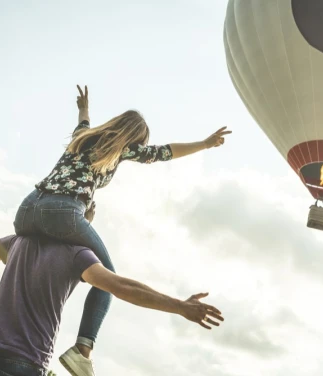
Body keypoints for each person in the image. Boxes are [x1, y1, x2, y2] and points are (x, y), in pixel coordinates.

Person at [13, 85, 231, 374]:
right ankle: (82, 350)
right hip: (63, 212)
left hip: (27, 210)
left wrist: (83, 106)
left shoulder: (83, 137)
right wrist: (203, 144)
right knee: (107, 278)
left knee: (24, 258)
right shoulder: (123, 148)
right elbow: (164, 152)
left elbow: (83, 122)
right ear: (133, 137)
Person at [0, 215, 224, 376]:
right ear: (81, 221)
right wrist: (179, 306)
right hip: (24, 364)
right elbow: (119, 286)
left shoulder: (17, 243)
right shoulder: (77, 255)